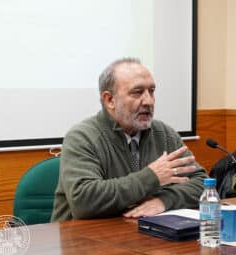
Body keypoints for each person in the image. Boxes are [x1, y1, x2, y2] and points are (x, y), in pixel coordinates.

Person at [51, 58, 207, 221]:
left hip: (143, 235)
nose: (148, 101)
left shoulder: (164, 134)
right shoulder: (82, 137)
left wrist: (165, 201)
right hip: (85, 240)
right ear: (109, 100)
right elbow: (83, 201)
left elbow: (203, 183)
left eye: (151, 91)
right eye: (137, 92)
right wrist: (151, 177)